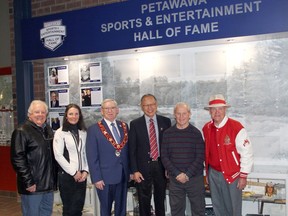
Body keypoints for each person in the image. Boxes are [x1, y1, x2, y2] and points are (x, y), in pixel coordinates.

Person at [202, 94, 253, 216]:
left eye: (220, 108)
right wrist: (207, 173)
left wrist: (243, 176)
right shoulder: (206, 128)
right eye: (213, 109)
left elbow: (247, 152)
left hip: (233, 174)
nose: (217, 112)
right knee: (218, 206)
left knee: (234, 209)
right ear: (209, 111)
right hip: (213, 174)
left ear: (225, 109)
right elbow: (206, 151)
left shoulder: (236, 127)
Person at [10, 100, 57, 216]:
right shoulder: (21, 131)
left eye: (43, 112)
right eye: (37, 112)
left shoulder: (48, 130)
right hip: (33, 186)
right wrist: (28, 182)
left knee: (46, 213)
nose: (40, 115)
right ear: (29, 114)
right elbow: (18, 159)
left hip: (48, 186)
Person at [129, 94, 171, 216]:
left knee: (160, 199)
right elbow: (132, 150)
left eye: (152, 104)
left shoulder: (166, 122)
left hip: (161, 166)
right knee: (143, 201)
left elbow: (169, 147)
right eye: (146, 105)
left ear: (156, 105)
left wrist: (168, 167)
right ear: (142, 107)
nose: (150, 108)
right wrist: (134, 170)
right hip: (142, 169)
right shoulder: (135, 124)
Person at [86, 99, 130, 216]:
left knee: (121, 209)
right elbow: (91, 156)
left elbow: (128, 152)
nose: (110, 111)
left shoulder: (124, 127)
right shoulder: (93, 130)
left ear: (117, 110)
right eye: (107, 108)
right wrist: (96, 178)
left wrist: (129, 171)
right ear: (102, 111)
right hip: (104, 178)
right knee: (105, 210)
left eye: (112, 108)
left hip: (122, 175)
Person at [161, 102, 205, 216]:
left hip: (194, 179)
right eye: (178, 114)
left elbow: (200, 156)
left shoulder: (196, 133)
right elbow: (164, 157)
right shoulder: (167, 134)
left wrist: (187, 174)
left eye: (184, 114)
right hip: (175, 180)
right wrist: (177, 174)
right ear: (174, 115)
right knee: (176, 212)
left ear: (189, 114)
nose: (181, 117)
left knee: (198, 211)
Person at [53, 104, 89, 216]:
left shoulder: (83, 132)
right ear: (66, 116)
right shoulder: (60, 132)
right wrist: (73, 172)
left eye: (76, 114)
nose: (74, 116)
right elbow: (58, 155)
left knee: (78, 209)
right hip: (67, 176)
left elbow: (85, 153)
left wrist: (85, 171)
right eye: (71, 114)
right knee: (69, 209)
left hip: (81, 177)